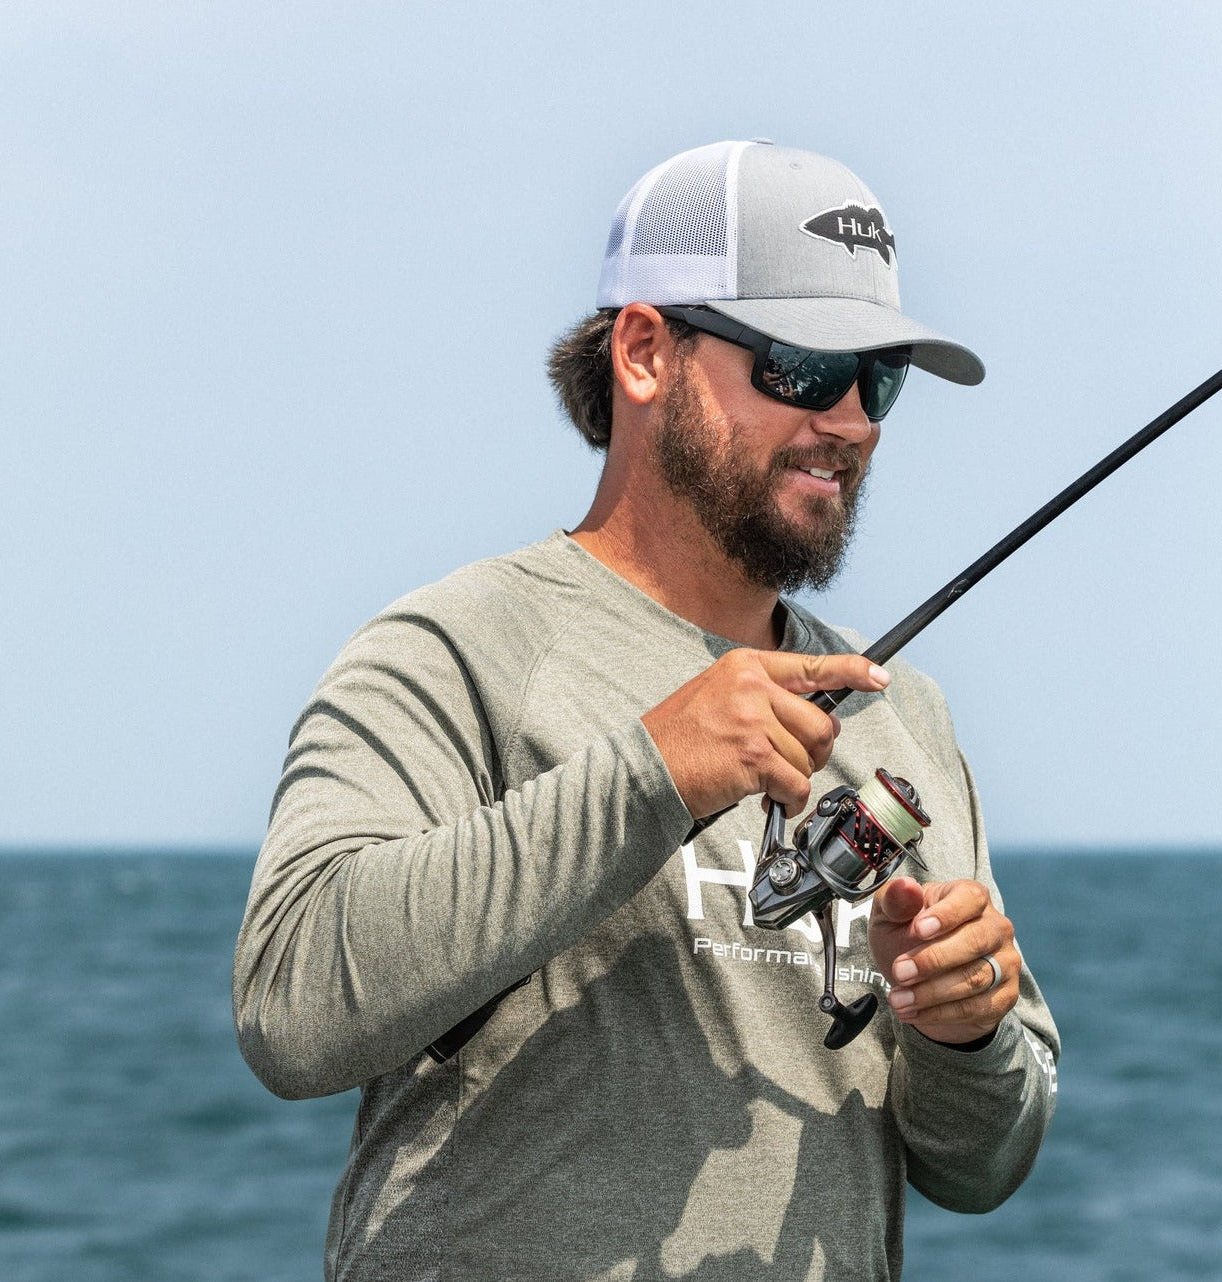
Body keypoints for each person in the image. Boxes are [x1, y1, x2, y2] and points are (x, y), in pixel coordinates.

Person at [233, 139, 1059, 1282]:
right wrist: (652, 769)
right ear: (642, 352)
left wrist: (966, 1032)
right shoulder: (459, 648)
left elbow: (983, 1166)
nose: (852, 420)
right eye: (806, 367)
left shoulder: (902, 714)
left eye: (880, 379)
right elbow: (291, 1005)